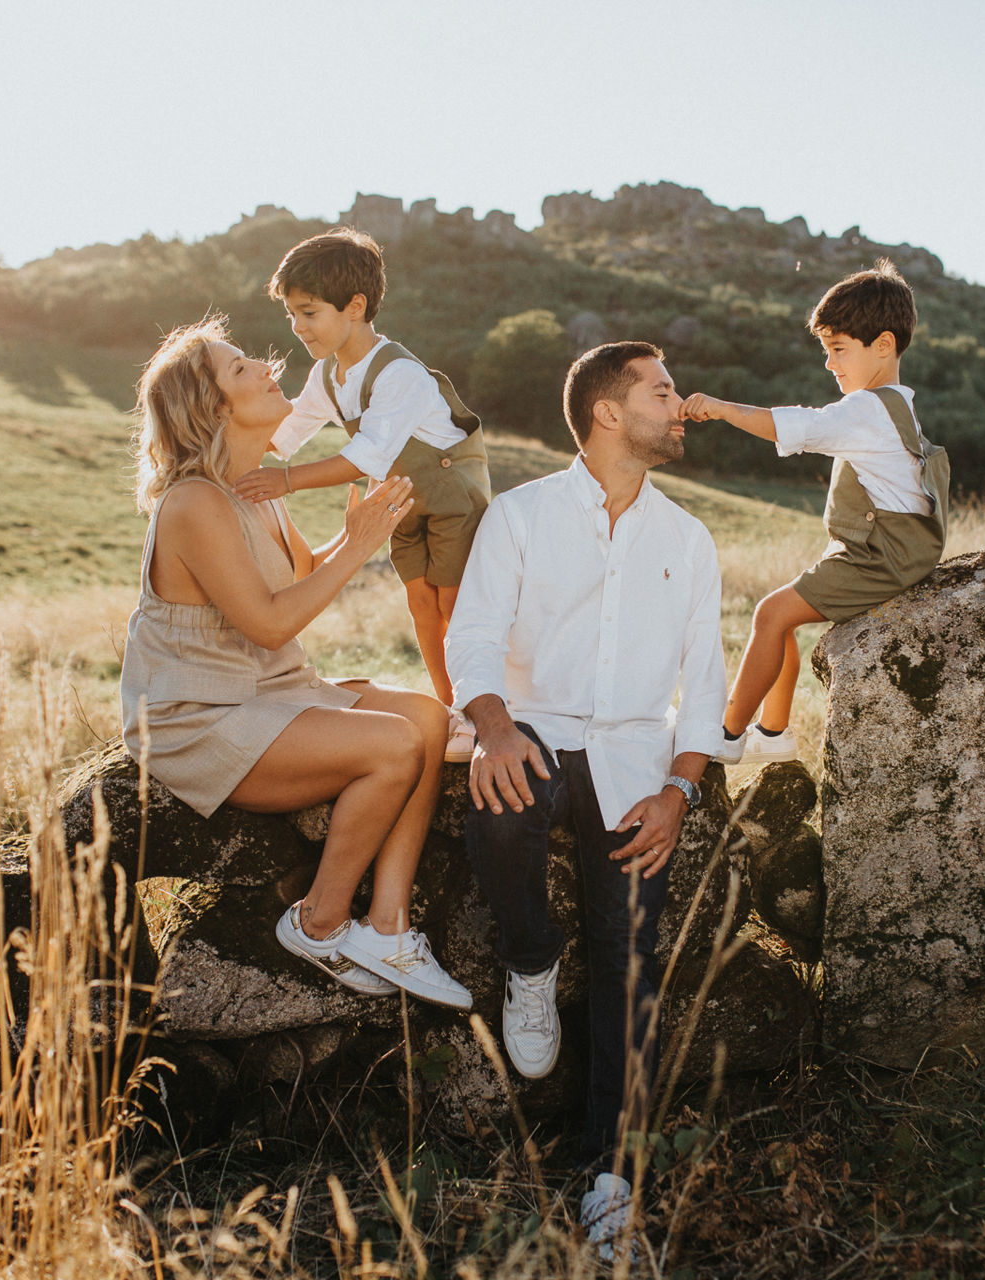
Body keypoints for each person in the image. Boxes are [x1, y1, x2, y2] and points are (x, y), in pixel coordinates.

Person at [446, 341, 726, 1259]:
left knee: (632, 959)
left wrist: (681, 789)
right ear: (609, 411)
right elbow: (474, 633)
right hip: (535, 734)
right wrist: (491, 726)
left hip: (638, 762)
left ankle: (613, 1180)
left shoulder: (688, 538)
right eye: (663, 391)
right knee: (499, 800)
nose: (679, 405)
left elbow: (707, 678)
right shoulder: (522, 516)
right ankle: (532, 958)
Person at [120, 316, 470, 1009]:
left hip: (272, 690)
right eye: (241, 367)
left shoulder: (254, 492)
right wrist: (358, 545)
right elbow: (272, 619)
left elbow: (301, 575)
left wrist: (359, 527)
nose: (266, 366)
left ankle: (388, 927)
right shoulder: (194, 502)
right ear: (212, 406)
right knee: (395, 746)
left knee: (429, 716)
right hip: (201, 715)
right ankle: (319, 922)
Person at [679, 259, 950, 765]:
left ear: (884, 345)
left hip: (881, 558)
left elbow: (795, 427)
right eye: (827, 351)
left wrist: (720, 408)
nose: (829, 364)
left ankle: (728, 737)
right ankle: (774, 733)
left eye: (838, 350)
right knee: (779, 617)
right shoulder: (896, 404)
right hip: (882, 549)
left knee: (770, 613)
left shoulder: (869, 409)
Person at [234, 228, 491, 762]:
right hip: (403, 502)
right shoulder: (328, 376)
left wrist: (286, 482)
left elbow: (366, 457)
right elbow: (284, 435)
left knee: (454, 603)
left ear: (355, 306)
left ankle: (478, 710)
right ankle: (451, 709)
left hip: (451, 494)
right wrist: (222, 438)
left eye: (308, 312)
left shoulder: (399, 372)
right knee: (421, 604)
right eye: (291, 315)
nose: (298, 327)